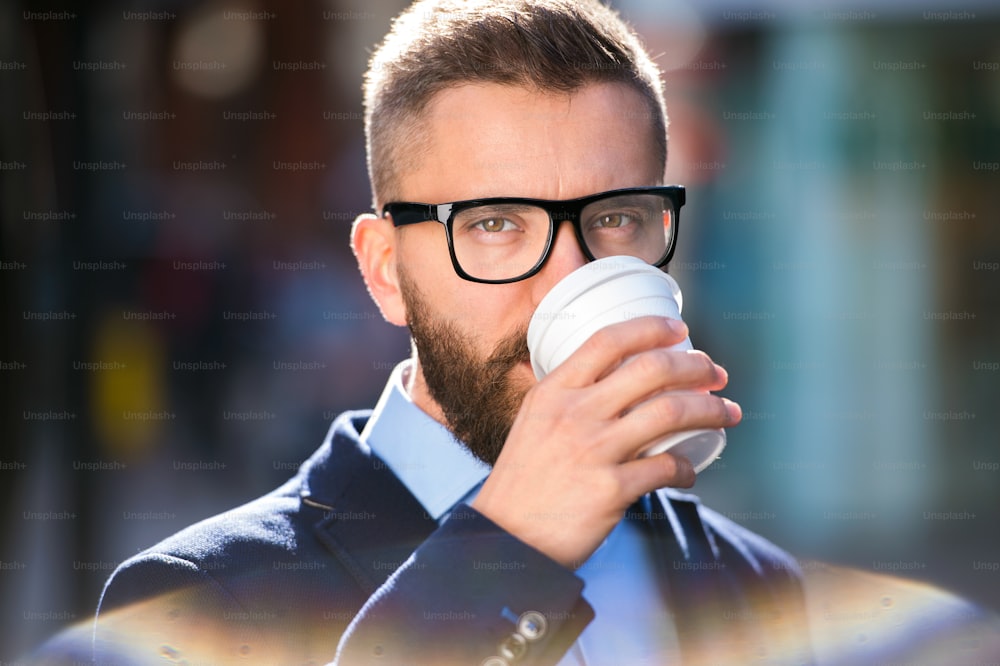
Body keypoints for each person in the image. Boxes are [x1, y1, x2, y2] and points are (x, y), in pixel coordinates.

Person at [84, 1, 814, 664]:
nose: (567, 280)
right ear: (385, 271)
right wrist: (509, 550)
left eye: (616, 217)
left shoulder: (754, 583)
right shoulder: (199, 598)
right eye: (495, 224)